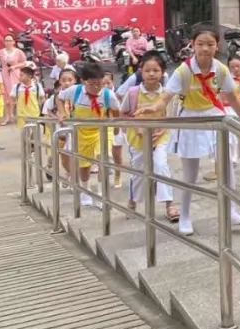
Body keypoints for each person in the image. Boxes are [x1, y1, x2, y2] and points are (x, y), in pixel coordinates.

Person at [134, 23, 240, 236]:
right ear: (192, 44)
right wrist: (154, 107)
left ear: (217, 46)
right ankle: (185, 216)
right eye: (200, 44)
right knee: (190, 174)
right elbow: (165, 97)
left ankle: (231, 210)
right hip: (190, 118)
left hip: (214, 115)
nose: (205, 48)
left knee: (226, 166)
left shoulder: (221, 70)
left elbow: (233, 98)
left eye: (210, 44)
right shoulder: (184, 70)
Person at [120, 52, 178, 222]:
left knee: (160, 165)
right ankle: (132, 203)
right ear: (141, 71)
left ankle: (169, 205)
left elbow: (171, 116)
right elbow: (123, 113)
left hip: (160, 137)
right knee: (139, 170)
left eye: (156, 70)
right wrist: (137, 127)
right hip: (138, 139)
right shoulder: (133, 92)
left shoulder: (166, 94)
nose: (151, 74)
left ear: (163, 72)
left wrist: (163, 130)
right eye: (147, 70)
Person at [57, 62, 121, 209]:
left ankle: (101, 195)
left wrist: (116, 126)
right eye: (92, 84)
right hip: (82, 132)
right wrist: (62, 112)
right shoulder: (75, 91)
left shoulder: (107, 94)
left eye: (100, 83)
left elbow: (116, 110)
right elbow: (59, 98)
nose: (97, 87)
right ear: (84, 81)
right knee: (84, 165)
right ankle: (85, 191)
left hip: (101, 130)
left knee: (103, 159)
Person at [0, 33, 26, 125]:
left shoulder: (18, 52)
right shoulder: (0, 52)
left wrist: (15, 66)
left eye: (10, 40)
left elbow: (24, 63)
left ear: (14, 42)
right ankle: (7, 117)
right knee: (5, 96)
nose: (8, 42)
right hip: (4, 75)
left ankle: (18, 116)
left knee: (16, 95)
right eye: (6, 40)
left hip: (15, 74)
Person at [11, 64, 44, 128]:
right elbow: (12, 101)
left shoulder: (37, 86)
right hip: (21, 115)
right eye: (19, 75)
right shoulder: (16, 87)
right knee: (23, 131)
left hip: (34, 114)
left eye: (22, 75)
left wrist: (40, 109)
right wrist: (11, 113)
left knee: (35, 131)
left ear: (29, 76)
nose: (19, 77)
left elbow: (42, 98)